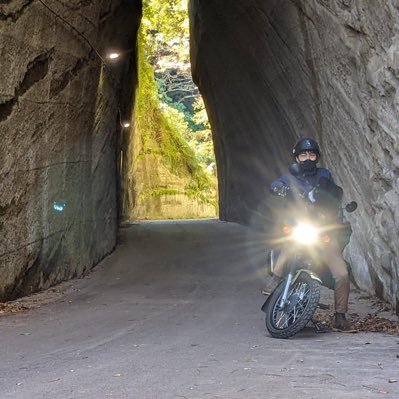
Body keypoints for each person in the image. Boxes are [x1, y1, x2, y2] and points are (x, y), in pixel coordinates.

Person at [262, 137, 356, 332]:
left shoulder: (324, 174)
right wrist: (278, 188)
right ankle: (276, 277)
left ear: (317, 157)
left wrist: (330, 199)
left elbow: (333, 193)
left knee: (342, 274)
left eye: (311, 154)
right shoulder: (290, 176)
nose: (307, 158)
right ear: (297, 158)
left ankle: (340, 315)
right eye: (303, 154)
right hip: (299, 225)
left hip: (322, 230)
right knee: (290, 241)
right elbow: (276, 184)